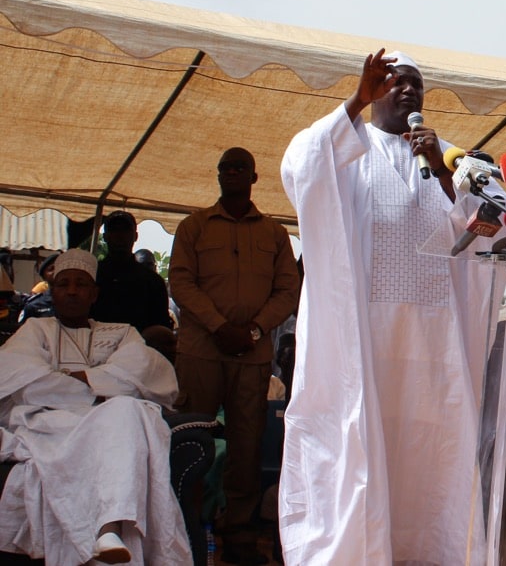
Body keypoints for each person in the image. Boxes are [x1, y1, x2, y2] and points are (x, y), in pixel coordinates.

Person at [278, 49, 506, 564]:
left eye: (417, 85)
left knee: (435, 455)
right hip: (367, 338)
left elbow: (493, 223)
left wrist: (443, 173)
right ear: (376, 90)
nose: (408, 91)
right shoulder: (346, 146)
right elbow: (299, 169)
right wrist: (355, 101)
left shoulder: (449, 156)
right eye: (395, 82)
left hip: (436, 344)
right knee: (366, 447)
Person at [0, 249, 191, 565]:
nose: (72, 291)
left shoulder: (120, 333)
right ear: (53, 291)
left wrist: (63, 378)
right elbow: (26, 385)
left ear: (94, 294)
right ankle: (103, 531)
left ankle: (108, 527)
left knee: (129, 410)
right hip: (51, 426)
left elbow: (145, 374)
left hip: (106, 424)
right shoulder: (36, 330)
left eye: (81, 284)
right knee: (121, 411)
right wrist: (100, 383)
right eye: (63, 284)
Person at [169, 146, 301, 566]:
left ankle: (238, 530)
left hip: (252, 355)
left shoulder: (275, 234)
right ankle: (184, 522)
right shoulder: (193, 227)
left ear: (253, 177)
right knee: (193, 438)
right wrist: (218, 327)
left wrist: (256, 329)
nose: (232, 173)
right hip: (200, 353)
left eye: (240, 168)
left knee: (245, 446)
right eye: (225, 167)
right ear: (218, 175)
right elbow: (180, 283)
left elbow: (288, 291)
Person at [91, 210, 172, 334]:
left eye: (125, 230)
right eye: (115, 230)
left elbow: (160, 327)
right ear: (106, 236)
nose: (120, 235)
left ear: (135, 236)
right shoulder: (91, 276)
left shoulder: (152, 281)